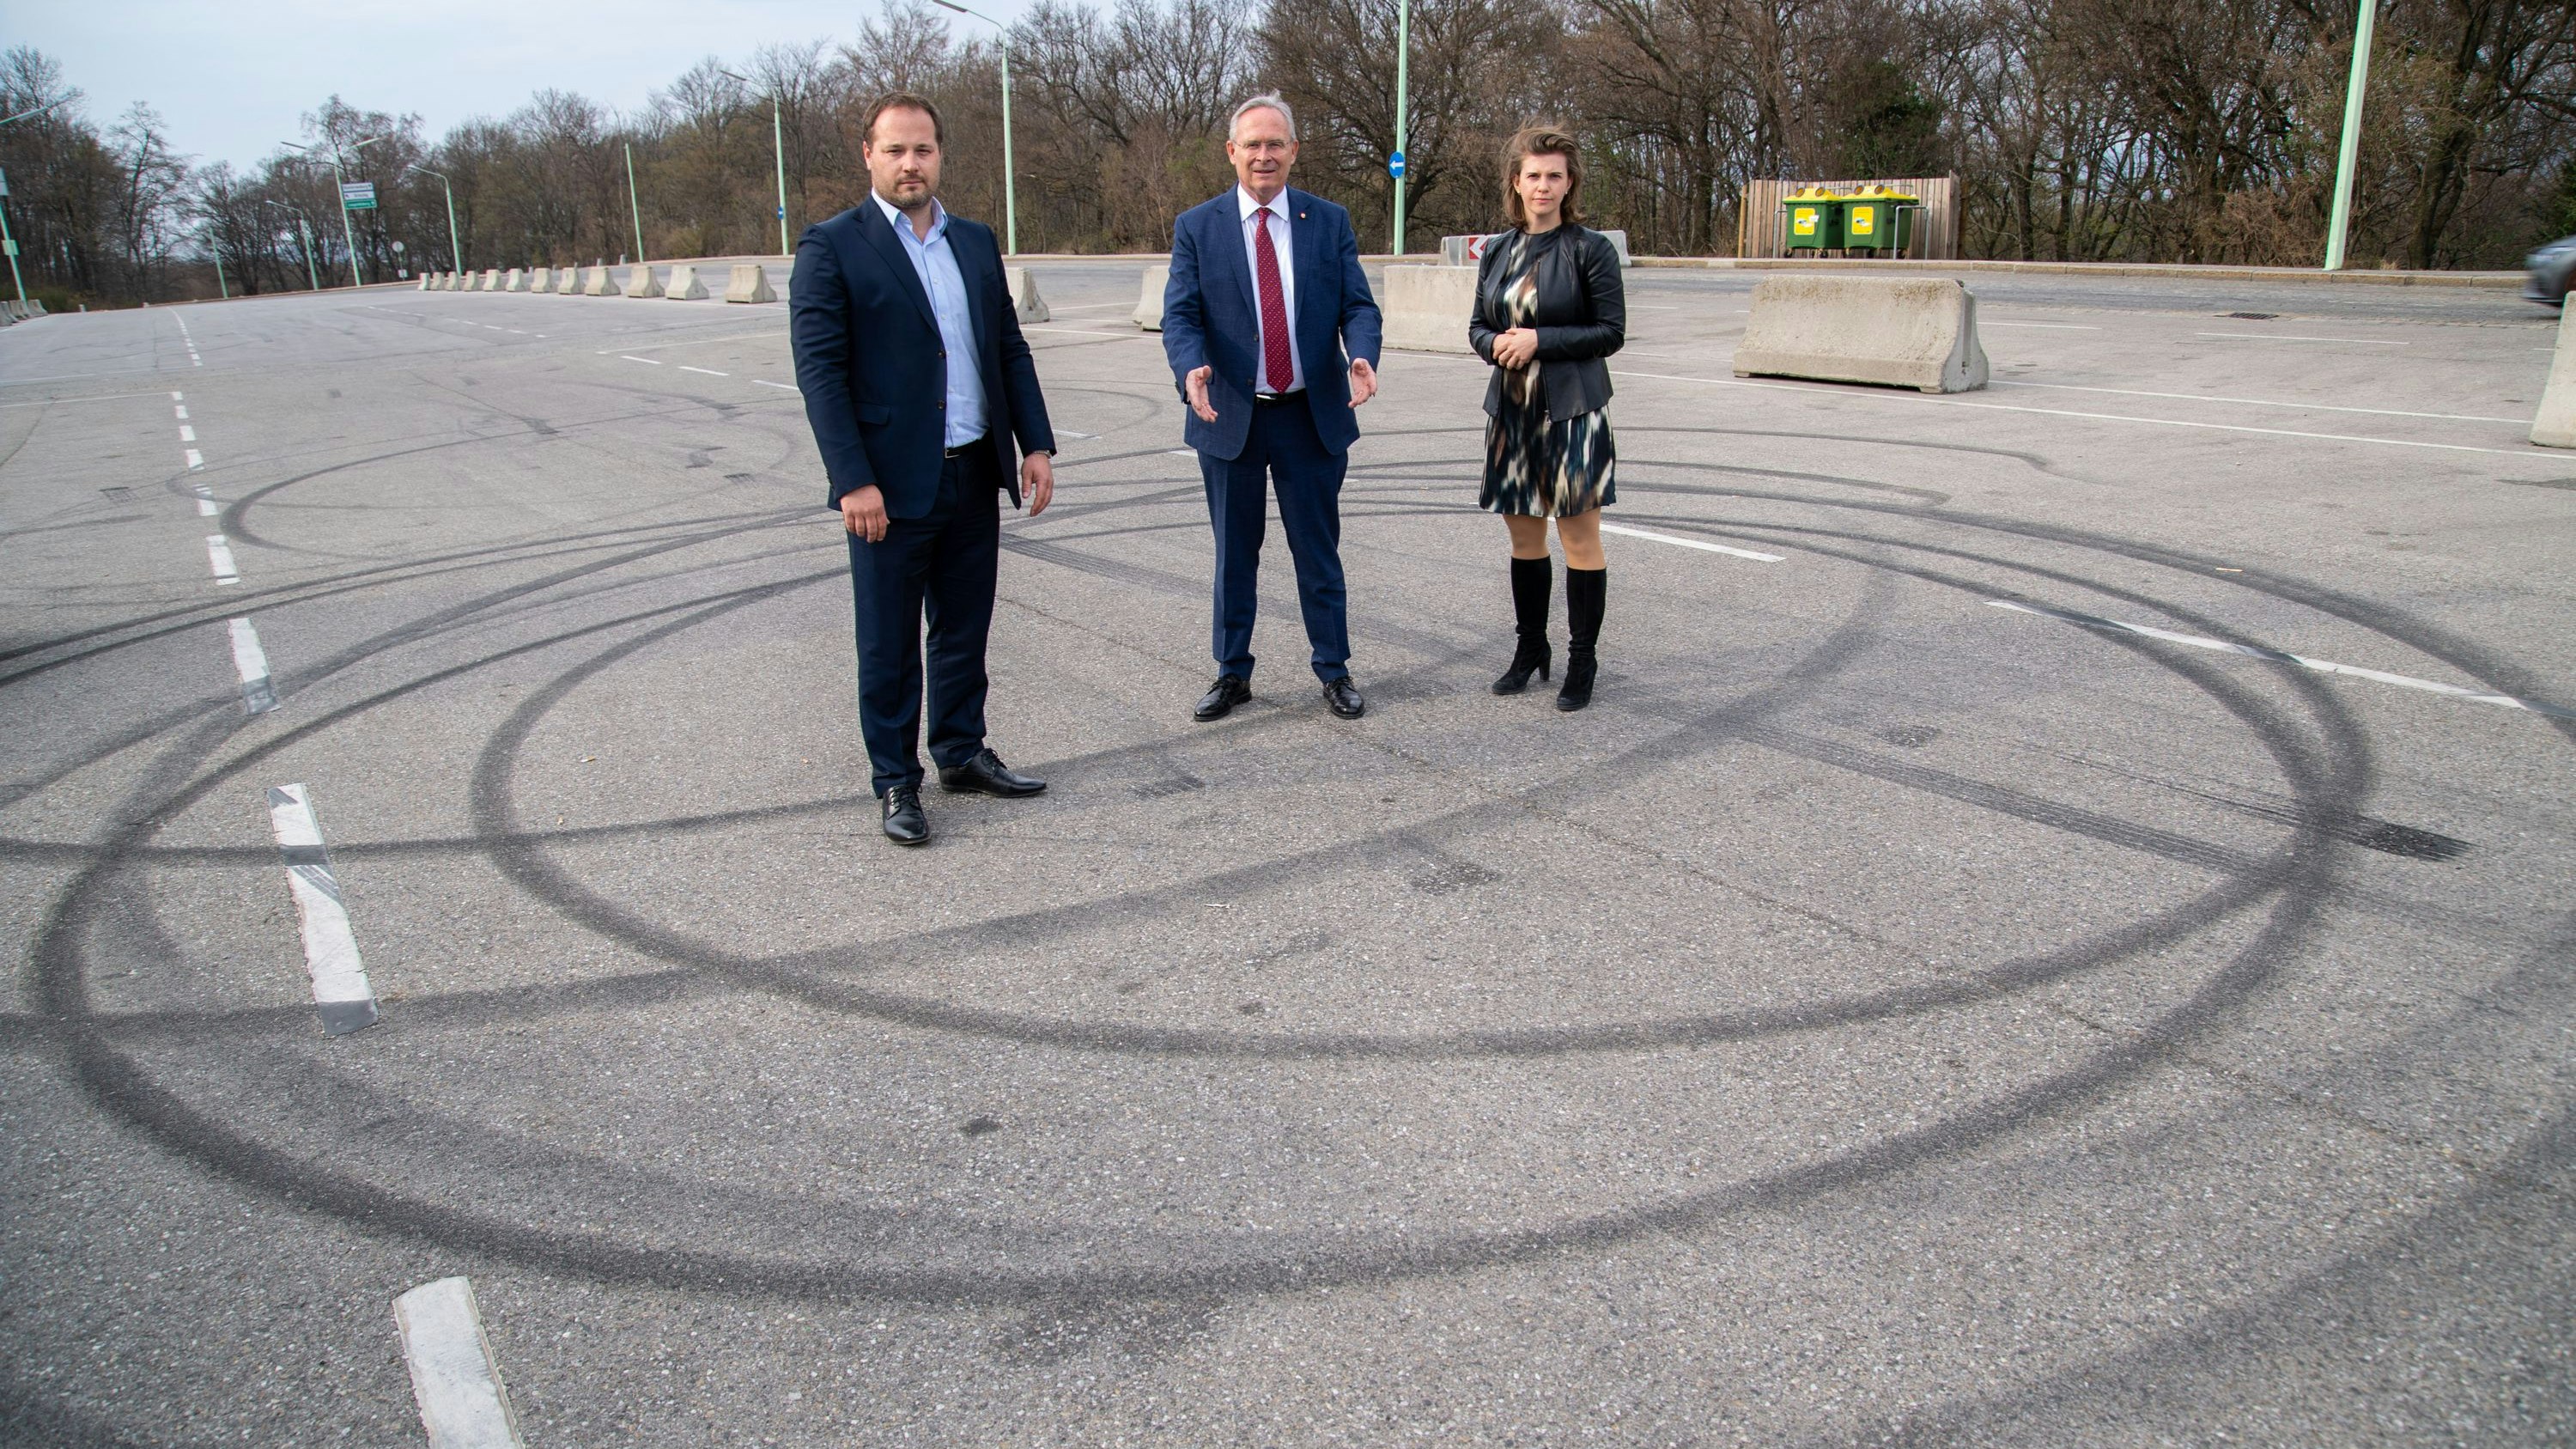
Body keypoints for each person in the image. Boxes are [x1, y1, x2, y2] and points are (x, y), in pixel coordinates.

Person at [789, 92, 1059, 846]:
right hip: (887, 485)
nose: (912, 163)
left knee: (964, 627)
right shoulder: (831, 247)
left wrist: (1033, 443)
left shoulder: (973, 242)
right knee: (888, 640)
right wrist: (852, 480)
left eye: (925, 149)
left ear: (941, 154)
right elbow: (821, 374)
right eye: (896, 150)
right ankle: (895, 782)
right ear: (868, 155)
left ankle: (962, 751)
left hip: (973, 469)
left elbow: (1007, 348)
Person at [1162, 92, 1384, 723]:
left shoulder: (1328, 220)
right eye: (1252, 144)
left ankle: (1334, 670)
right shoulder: (1197, 227)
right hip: (1229, 414)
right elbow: (1178, 315)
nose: (1265, 155)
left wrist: (1362, 353)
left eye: (1276, 143)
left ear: (1294, 151)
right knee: (1235, 554)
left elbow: (1358, 306)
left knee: (1318, 549)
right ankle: (1232, 673)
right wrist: (1189, 367)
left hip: (1309, 413)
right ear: (1232, 152)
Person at [1467, 126, 1625, 711]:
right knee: (1523, 535)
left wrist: (1539, 340)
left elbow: (1611, 332)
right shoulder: (1499, 251)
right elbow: (1477, 326)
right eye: (1533, 175)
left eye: (1554, 175)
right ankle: (1531, 646)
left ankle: (1582, 658)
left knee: (1579, 537)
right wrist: (1497, 345)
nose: (1543, 186)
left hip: (1572, 409)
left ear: (1569, 183)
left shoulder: (1591, 249)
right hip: (1512, 410)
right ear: (1516, 181)